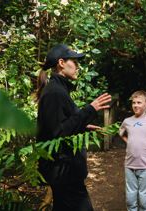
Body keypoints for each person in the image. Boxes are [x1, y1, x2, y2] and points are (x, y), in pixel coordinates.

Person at [36, 44, 111, 211]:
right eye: (75, 61)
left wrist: (83, 126)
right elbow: (58, 133)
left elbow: (62, 125)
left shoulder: (59, 89)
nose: (78, 66)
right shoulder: (55, 92)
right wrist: (90, 109)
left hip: (65, 172)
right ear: (61, 63)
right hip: (63, 171)